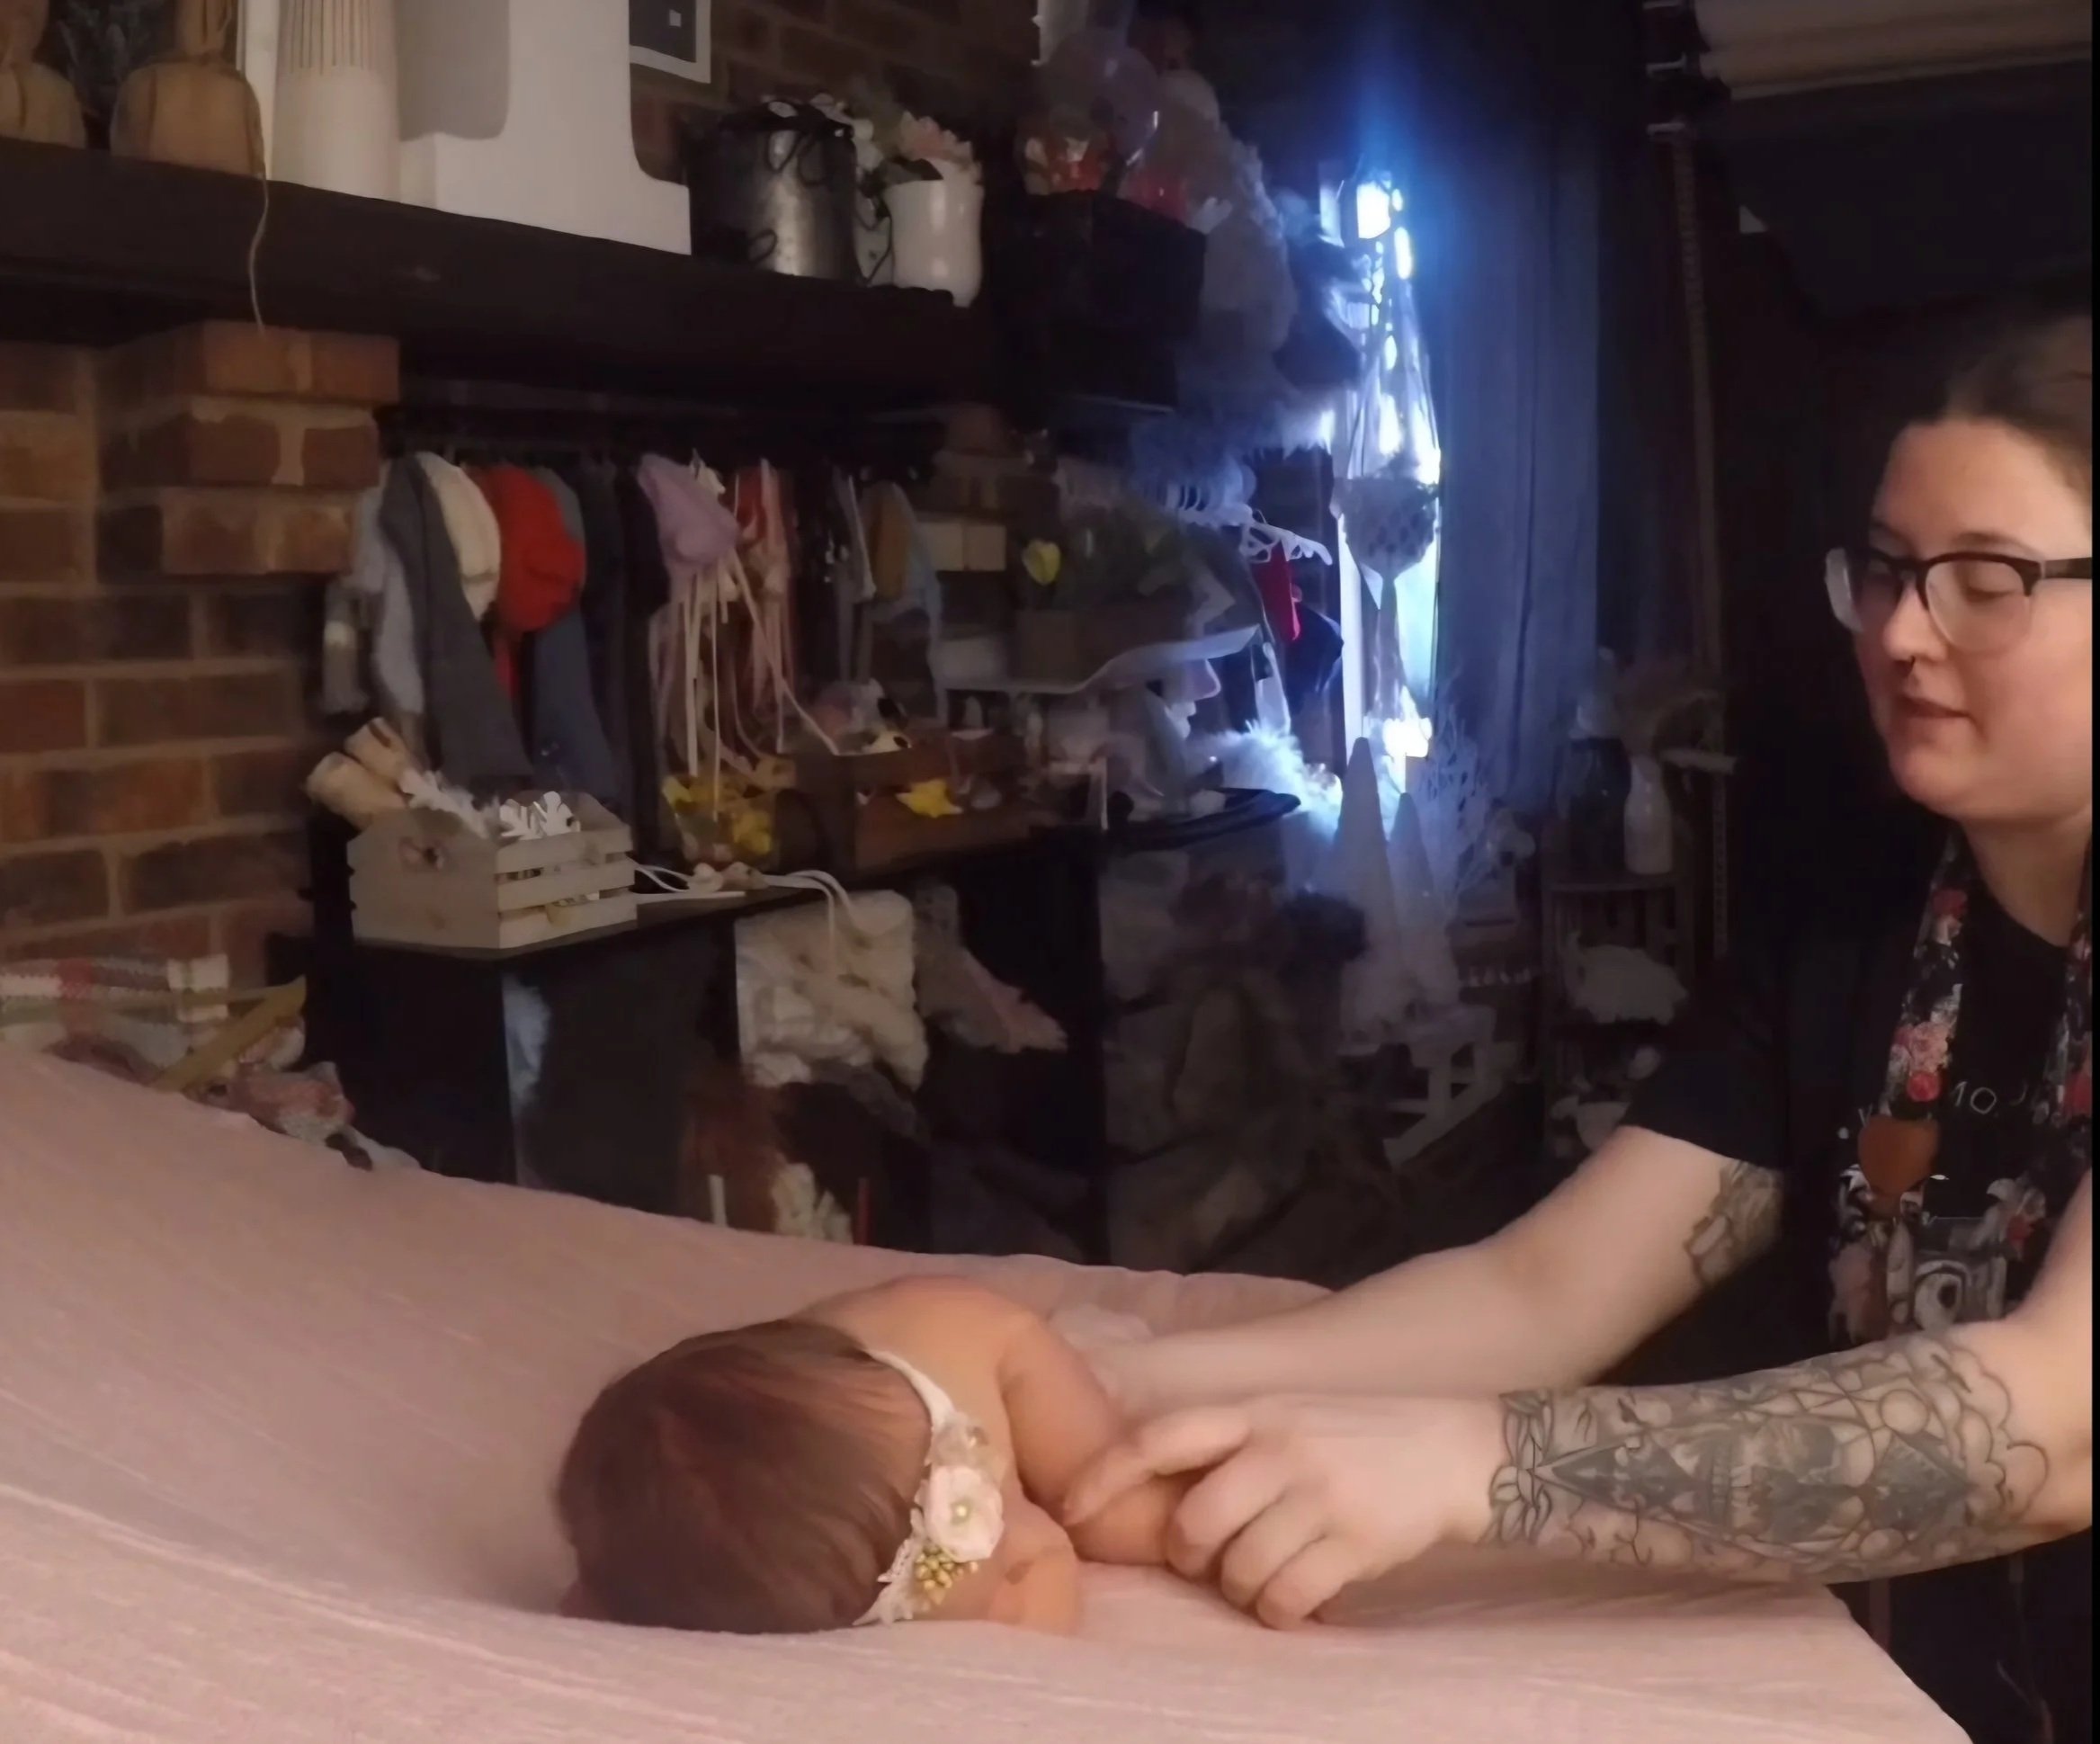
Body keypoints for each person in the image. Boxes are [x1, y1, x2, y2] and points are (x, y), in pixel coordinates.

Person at [1068, 315, 2092, 1744]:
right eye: (1880, 569)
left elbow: (2054, 1422)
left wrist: (1467, 1466)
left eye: (1982, 580)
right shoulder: (1858, 918)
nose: (1901, 631)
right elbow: (1540, 1288)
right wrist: (1112, 1382)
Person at [555, 1278, 1184, 1635]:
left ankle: (1100, 1363)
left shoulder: (945, 1340)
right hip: (837, 1397)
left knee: (1112, 1509)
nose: (1020, 1539)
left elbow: (1051, 1547)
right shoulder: (683, 1571)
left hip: (972, 1337)